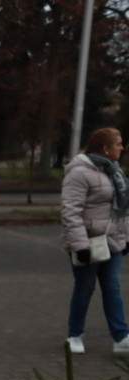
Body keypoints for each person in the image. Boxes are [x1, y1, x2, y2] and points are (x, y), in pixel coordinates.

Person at [61, 127, 129, 354]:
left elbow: (122, 209)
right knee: (84, 288)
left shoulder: (115, 172)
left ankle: (121, 337)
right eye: (118, 144)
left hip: (113, 242)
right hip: (89, 243)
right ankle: (75, 335)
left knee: (112, 288)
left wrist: (126, 237)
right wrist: (80, 246)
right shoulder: (79, 172)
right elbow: (71, 211)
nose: (122, 148)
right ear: (105, 148)